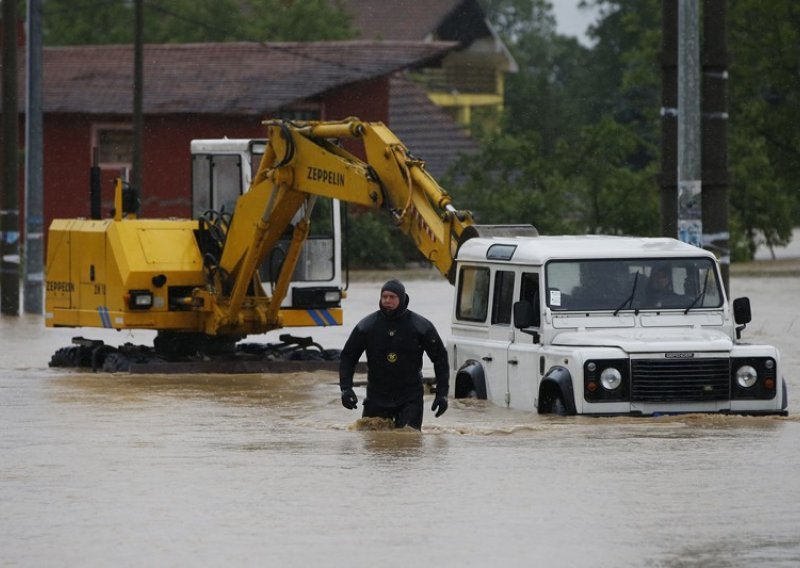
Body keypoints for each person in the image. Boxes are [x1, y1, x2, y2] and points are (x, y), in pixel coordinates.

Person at [339, 279, 449, 430]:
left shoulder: (420, 326)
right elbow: (348, 357)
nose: (387, 301)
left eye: (392, 297)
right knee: (372, 444)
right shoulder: (367, 326)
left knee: (408, 440)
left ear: (402, 298)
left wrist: (442, 394)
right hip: (377, 396)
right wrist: (346, 388)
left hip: (410, 398)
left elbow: (440, 359)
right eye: (384, 297)